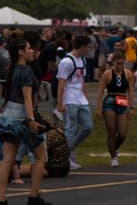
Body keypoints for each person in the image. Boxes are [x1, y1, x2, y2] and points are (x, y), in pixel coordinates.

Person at [0, 31, 51, 205]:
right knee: (40, 157)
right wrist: (31, 119)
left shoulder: (11, 69)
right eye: (28, 48)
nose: (32, 51)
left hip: (8, 116)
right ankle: (34, 196)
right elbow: (27, 97)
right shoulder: (26, 71)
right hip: (22, 115)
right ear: (20, 52)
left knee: (7, 159)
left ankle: (1, 199)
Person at [56, 34, 92, 171]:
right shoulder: (67, 61)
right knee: (70, 128)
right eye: (87, 47)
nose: (88, 50)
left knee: (87, 127)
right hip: (69, 98)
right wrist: (60, 103)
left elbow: (82, 81)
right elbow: (61, 83)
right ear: (82, 47)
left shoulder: (82, 60)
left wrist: (86, 98)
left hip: (80, 98)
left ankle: (69, 149)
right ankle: (66, 158)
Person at [95, 51, 134, 167]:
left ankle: (113, 148)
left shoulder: (128, 74)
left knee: (122, 133)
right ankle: (113, 157)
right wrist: (98, 108)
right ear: (113, 63)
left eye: (122, 64)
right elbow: (101, 91)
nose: (120, 66)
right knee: (111, 130)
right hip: (110, 101)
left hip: (122, 100)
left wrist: (131, 107)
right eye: (118, 64)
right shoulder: (107, 74)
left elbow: (131, 91)